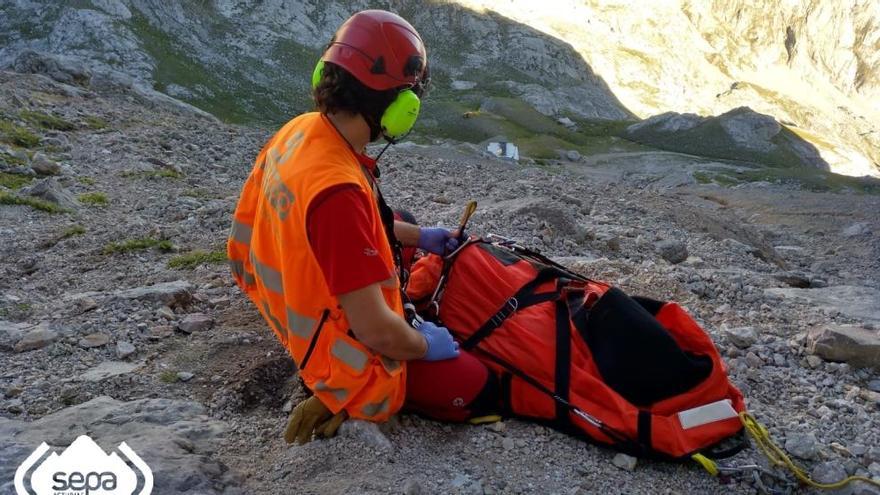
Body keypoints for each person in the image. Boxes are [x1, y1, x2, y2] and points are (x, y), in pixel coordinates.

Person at [227, 10, 497, 445]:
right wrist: (423, 345)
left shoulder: (303, 130)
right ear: (399, 108)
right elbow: (374, 329)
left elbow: (350, 230)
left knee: (402, 221)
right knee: (475, 385)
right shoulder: (338, 194)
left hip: (282, 293)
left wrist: (422, 236)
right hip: (326, 343)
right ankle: (341, 390)